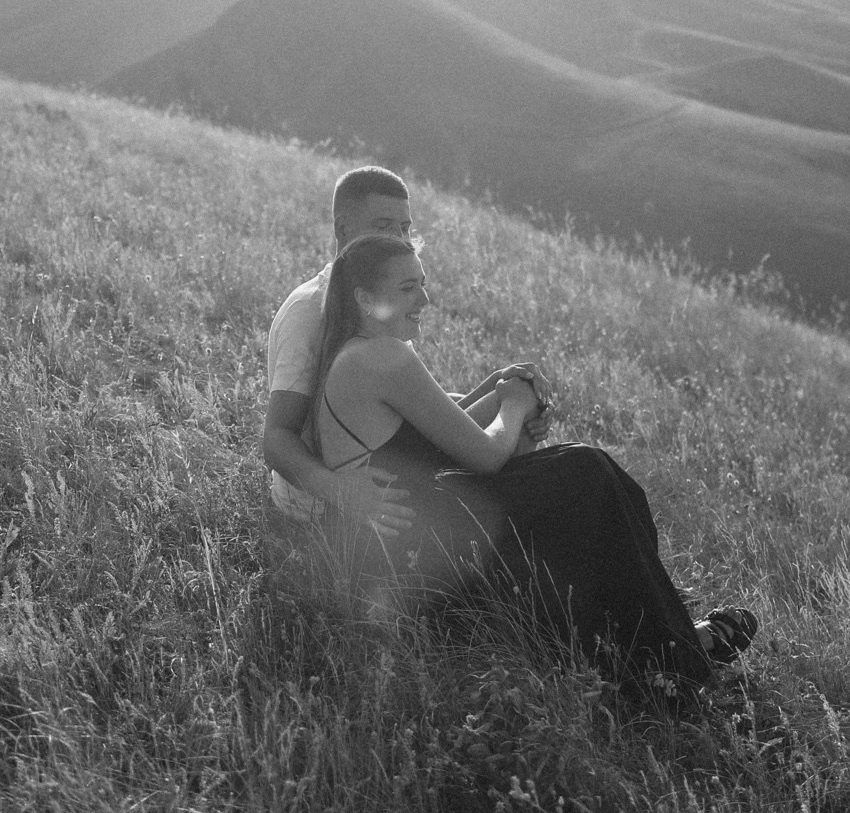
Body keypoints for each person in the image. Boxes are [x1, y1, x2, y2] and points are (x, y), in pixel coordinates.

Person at [308, 232, 757, 691]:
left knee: (579, 479)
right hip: (415, 559)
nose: (425, 297)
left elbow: (440, 431)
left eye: (422, 283)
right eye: (407, 288)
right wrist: (515, 406)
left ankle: (647, 647)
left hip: (408, 546)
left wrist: (501, 389)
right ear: (365, 298)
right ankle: (674, 654)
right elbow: (483, 456)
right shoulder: (384, 356)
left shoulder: (358, 351)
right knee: (587, 472)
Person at [260, 168, 550, 537]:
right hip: (328, 510)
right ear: (343, 229)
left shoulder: (384, 303)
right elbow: (277, 437)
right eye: (383, 226)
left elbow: (405, 424)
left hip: (390, 487)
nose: (400, 239)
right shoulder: (307, 311)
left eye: (404, 228)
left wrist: (497, 391)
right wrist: (337, 489)